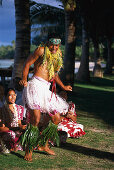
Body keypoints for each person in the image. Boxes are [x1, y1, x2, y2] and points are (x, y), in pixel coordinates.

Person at [19, 33, 72, 161]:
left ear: (60, 44)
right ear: (48, 43)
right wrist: (24, 79)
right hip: (35, 86)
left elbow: (54, 74)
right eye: (52, 44)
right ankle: (29, 149)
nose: (55, 47)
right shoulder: (41, 50)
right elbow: (27, 64)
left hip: (46, 88)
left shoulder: (57, 54)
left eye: (57, 44)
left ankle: (43, 144)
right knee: (36, 119)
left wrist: (63, 87)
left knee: (56, 118)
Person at [0, 88, 26, 153]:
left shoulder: (19, 108)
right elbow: (1, 128)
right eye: (10, 95)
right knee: (11, 134)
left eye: (14, 95)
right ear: (5, 97)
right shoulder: (1, 110)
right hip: (8, 132)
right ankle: (11, 147)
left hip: (17, 131)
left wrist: (22, 127)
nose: (13, 97)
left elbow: (19, 123)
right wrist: (16, 128)